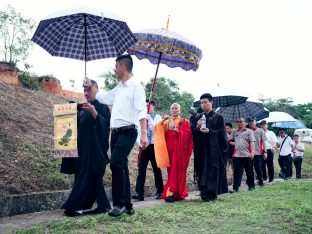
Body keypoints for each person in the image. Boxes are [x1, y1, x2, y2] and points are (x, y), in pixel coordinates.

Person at [94, 54, 148, 217]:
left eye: (116, 66)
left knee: (116, 163)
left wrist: (144, 134)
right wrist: (91, 87)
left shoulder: (136, 87)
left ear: (123, 67)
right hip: (115, 133)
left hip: (128, 131)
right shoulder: (119, 87)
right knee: (121, 165)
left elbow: (141, 110)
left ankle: (119, 204)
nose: (114, 69)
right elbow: (104, 98)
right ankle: (129, 205)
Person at [62, 80, 111, 217]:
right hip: (82, 150)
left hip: (95, 150)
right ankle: (103, 206)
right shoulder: (82, 108)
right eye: (84, 90)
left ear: (96, 88)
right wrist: (70, 110)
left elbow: (106, 129)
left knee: (89, 177)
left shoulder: (103, 107)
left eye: (88, 89)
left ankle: (75, 206)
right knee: (91, 178)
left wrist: (95, 113)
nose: (86, 92)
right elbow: (72, 128)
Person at [193, 93, 228, 201]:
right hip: (201, 149)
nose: (203, 105)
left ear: (211, 102)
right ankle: (203, 192)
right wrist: (197, 127)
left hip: (213, 150)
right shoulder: (199, 117)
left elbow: (222, 134)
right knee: (201, 169)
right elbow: (193, 134)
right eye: (201, 103)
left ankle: (212, 193)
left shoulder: (218, 117)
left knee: (212, 170)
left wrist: (210, 132)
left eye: (205, 102)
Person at [154, 103, 193, 202]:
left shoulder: (184, 122)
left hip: (180, 151)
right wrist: (162, 121)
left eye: (176, 108)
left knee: (178, 171)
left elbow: (188, 136)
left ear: (179, 110)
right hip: (169, 150)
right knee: (171, 171)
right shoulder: (167, 121)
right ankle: (176, 193)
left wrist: (178, 132)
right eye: (172, 108)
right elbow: (158, 130)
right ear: (170, 110)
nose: (174, 110)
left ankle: (172, 193)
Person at [132, 100, 164, 201]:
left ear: (153, 106)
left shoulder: (157, 117)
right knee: (141, 170)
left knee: (156, 169)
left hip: (154, 146)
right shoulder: (140, 118)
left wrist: (149, 119)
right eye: (145, 106)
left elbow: (156, 128)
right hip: (144, 146)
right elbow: (138, 132)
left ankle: (160, 191)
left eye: (148, 105)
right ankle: (139, 193)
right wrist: (140, 143)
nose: (147, 107)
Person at [231, 117, 256, 193]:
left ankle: (251, 186)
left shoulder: (249, 131)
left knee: (249, 171)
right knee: (236, 172)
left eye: (241, 122)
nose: (239, 123)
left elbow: (252, 142)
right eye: (237, 122)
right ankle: (235, 188)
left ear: (245, 123)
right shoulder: (235, 132)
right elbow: (229, 139)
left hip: (246, 154)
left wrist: (252, 152)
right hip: (237, 155)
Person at [248, 117, 267, 187]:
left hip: (258, 153)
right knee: (249, 169)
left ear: (255, 122)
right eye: (249, 121)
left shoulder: (260, 131)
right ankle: (251, 183)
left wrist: (265, 152)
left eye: (252, 121)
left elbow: (264, 142)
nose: (251, 122)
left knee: (258, 168)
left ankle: (261, 182)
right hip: (248, 153)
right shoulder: (246, 130)